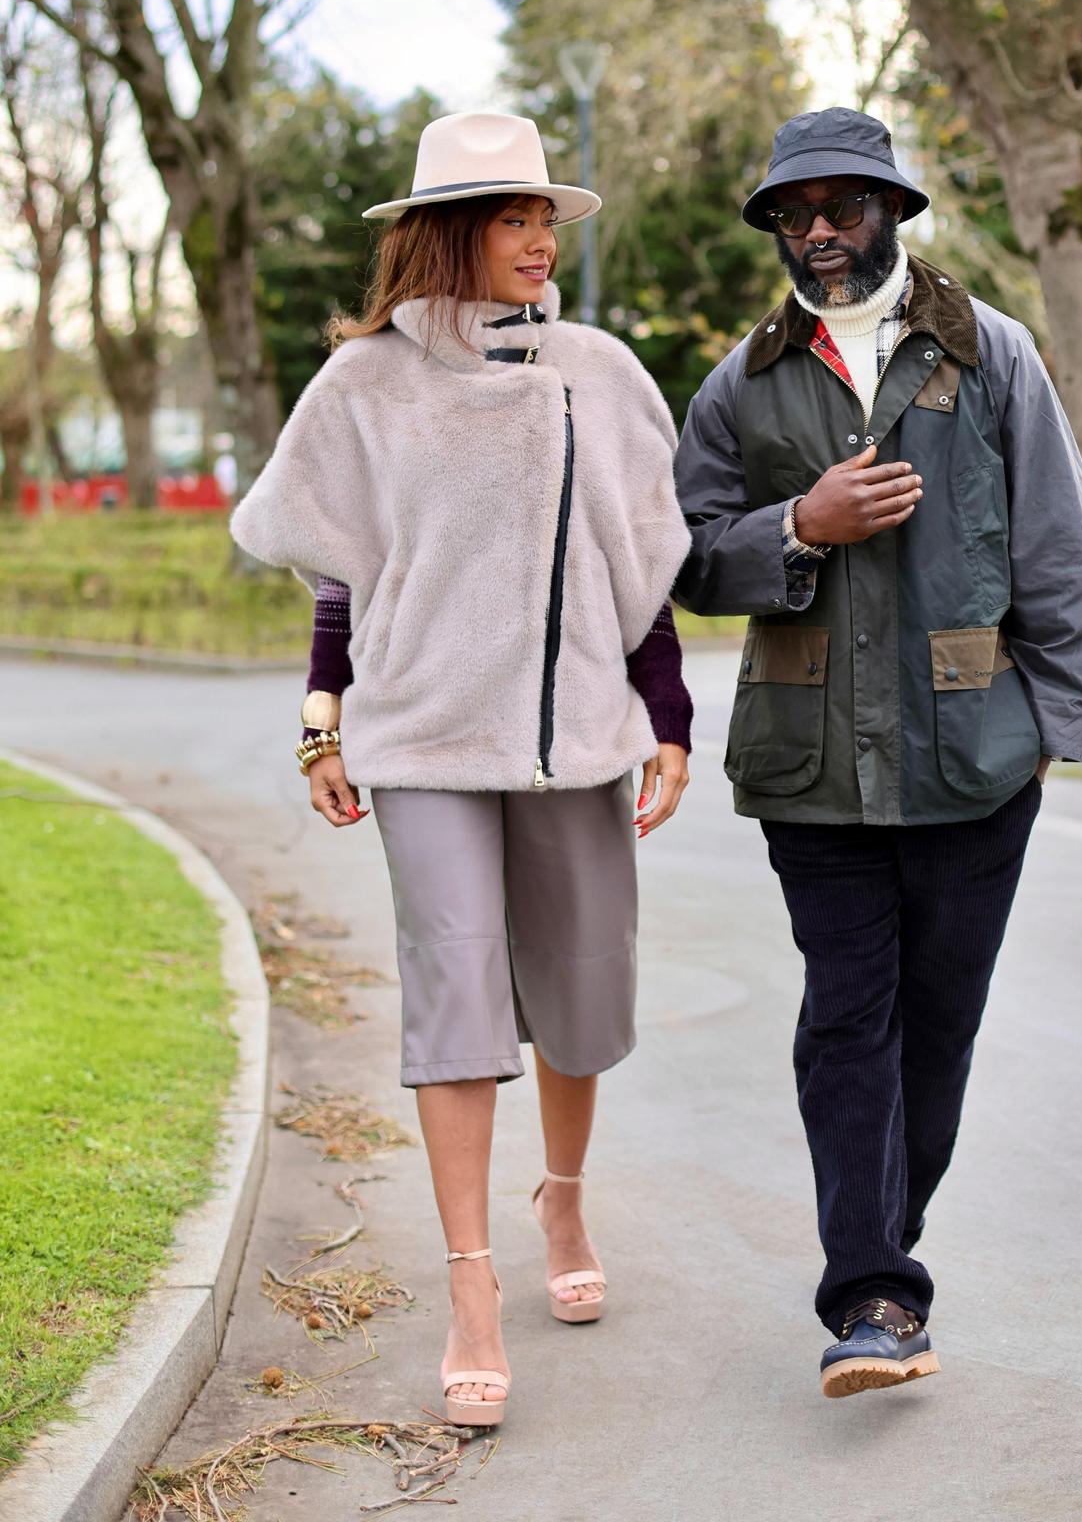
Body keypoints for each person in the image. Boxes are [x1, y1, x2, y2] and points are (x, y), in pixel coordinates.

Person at [231, 110, 693, 1429]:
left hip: (577, 737)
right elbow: (344, 570)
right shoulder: (364, 385)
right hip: (423, 739)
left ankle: (562, 1202)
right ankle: (471, 1284)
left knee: (580, 988)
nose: (539, 238)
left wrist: (666, 717)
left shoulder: (598, 374)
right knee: (454, 994)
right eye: (510, 218)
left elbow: (637, 563)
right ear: (446, 234)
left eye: (544, 216)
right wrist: (321, 719)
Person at [673, 105, 1082, 1400]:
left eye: (842, 206)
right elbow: (685, 559)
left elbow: (1059, 552)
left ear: (892, 212)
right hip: (807, 769)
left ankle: (878, 1241)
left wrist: (1047, 733)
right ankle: (871, 1292)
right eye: (792, 212)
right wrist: (796, 526)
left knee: (937, 1024)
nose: (816, 230)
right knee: (844, 1020)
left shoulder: (992, 354)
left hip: (976, 761)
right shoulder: (741, 381)